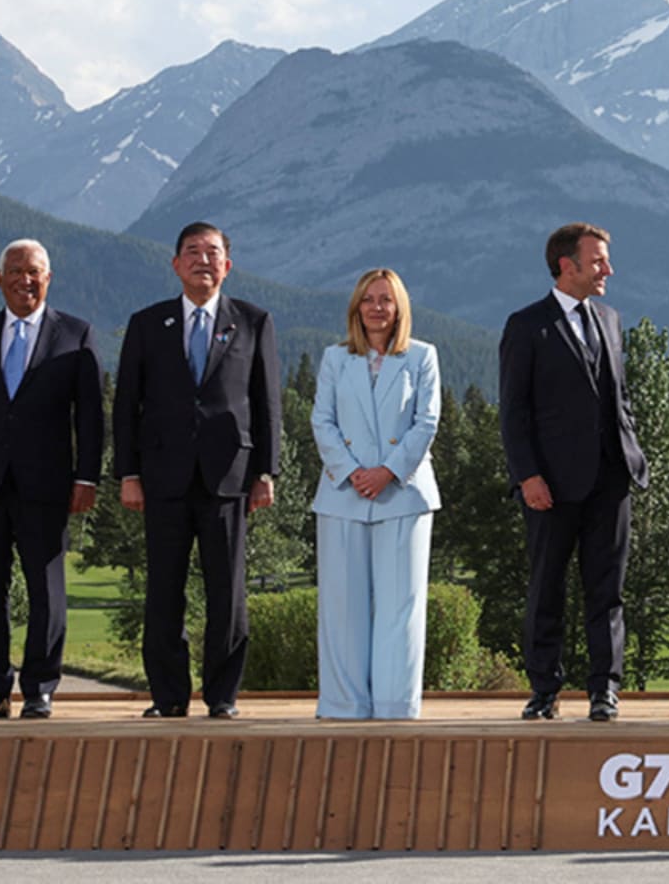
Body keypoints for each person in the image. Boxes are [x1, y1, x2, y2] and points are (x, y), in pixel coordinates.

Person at [114, 222, 281, 720]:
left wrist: (266, 472)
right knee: (164, 589)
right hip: (162, 475)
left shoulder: (253, 321)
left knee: (227, 591)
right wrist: (127, 472)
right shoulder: (147, 323)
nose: (202, 261)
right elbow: (126, 406)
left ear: (228, 265)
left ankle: (222, 695)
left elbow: (266, 402)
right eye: (192, 252)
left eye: (212, 253)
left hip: (229, 474)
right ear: (175, 264)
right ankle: (167, 696)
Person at [0, 239, 103, 720]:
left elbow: (90, 419)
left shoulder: (76, 334)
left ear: (48, 279)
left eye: (34, 271)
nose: (24, 279)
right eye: (15, 270)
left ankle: (39, 689)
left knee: (46, 591)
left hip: (48, 485)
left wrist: (87, 477)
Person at [500, 223, 648, 722]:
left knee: (608, 590)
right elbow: (514, 411)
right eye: (600, 260)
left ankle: (604, 691)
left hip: (611, 479)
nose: (609, 269)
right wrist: (528, 476)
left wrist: (633, 454)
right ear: (568, 265)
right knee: (547, 586)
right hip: (551, 485)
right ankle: (544, 690)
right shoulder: (527, 325)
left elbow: (617, 396)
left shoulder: (609, 317)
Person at [310, 268, 443, 719]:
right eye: (368, 299)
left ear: (400, 307)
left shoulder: (422, 356)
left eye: (386, 299)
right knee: (342, 608)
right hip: (342, 493)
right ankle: (343, 704)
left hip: (403, 494)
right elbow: (321, 421)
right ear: (356, 307)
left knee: (399, 607)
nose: (377, 307)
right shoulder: (334, 358)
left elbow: (427, 422)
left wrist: (387, 472)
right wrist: (352, 472)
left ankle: (394, 705)